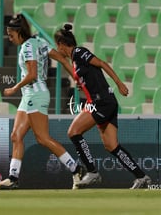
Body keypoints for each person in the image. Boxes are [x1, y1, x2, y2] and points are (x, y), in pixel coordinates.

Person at [0, 14, 85, 190]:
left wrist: (14, 88)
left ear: (19, 32)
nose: (9, 38)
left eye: (10, 34)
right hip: (29, 96)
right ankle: (13, 178)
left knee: (42, 138)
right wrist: (76, 77)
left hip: (36, 95)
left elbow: (32, 74)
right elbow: (62, 59)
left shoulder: (27, 47)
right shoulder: (39, 42)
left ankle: (75, 168)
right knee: (16, 136)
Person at [53, 23, 151, 189]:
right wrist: (82, 85)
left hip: (101, 102)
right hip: (106, 102)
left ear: (62, 44)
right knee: (111, 145)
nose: (58, 48)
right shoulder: (75, 60)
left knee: (73, 132)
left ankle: (92, 172)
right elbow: (88, 77)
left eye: (58, 45)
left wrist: (119, 83)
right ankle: (141, 177)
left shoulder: (79, 52)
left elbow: (102, 63)